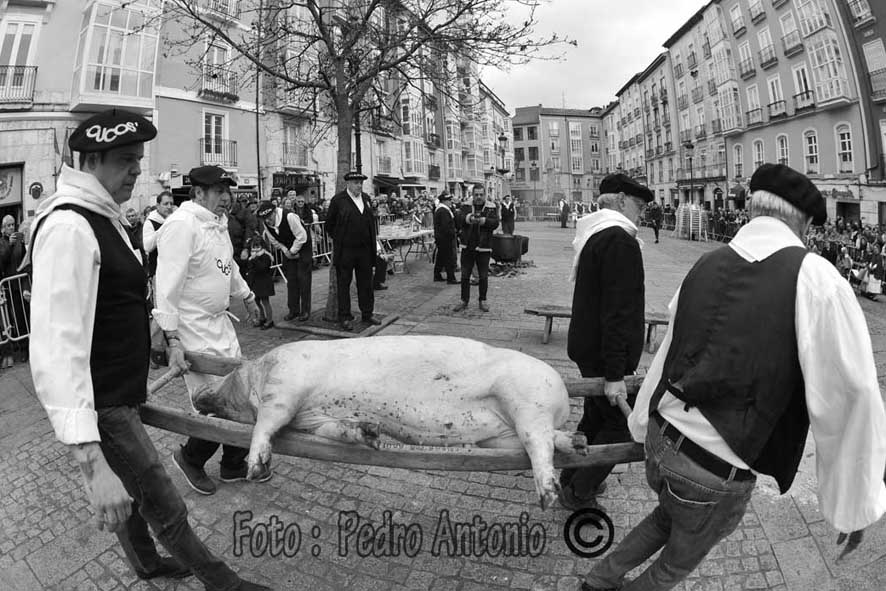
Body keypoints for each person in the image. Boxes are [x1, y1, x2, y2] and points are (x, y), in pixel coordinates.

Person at [580, 163, 886, 591]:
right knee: (673, 566)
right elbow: (851, 394)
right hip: (712, 470)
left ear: (752, 210)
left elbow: (670, 350)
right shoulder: (816, 278)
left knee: (665, 518)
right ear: (802, 221)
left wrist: (639, 424)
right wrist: (854, 505)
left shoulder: (706, 263)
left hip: (662, 441)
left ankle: (597, 579)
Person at [28, 109, 270, 590]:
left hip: (121, 389)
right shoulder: (70, 227)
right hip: (105, 402)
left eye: (139, 159)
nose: (138, 169)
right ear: (92, 160)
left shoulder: (103, 218)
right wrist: (90, 462)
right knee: (163, 501)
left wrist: (162, 340)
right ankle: (225, 583)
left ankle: (147, 564)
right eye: (126, 160)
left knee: (133, 493)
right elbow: (56, 345)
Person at [153, 165, 269, 497]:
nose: (226, 198)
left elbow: (228, 267)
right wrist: (172, 338)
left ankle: (233, 463)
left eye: (228, 192)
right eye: (219, 192)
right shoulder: (181, 226)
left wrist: (247, 296)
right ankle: (189, 458)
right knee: (215, 402)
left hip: (219, 325)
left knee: (240, 391)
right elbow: (167, 286)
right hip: (192, 329)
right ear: (199, 193)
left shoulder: (216, 226)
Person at [561, 173, 652, 510]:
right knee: (621, 424)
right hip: (604, 353)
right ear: (621, 200)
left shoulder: (598, 234)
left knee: (595, 418)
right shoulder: (618, 239)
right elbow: (618, 310)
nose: (641, 214)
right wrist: (616, 373)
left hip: (589, 346)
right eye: (639, 206)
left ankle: (570, 477)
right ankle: (579, 491)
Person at [325, 171, 381, 331]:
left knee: (366, 283)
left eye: (360, 183)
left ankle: (367, 313)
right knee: (344, 284)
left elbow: (371, 222)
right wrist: (341, 238)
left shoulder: (366, 199)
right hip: (346, 251)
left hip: (364, 250)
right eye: (356, 183)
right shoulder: (338, 200)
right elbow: (329, 224)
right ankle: (345, 316)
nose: (359, 185)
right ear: (348, 184)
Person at [256, 199, 311, 322]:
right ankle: (293, 310)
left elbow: (302, 237)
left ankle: (305, 311)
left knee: (304, 281)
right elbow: (275, 241)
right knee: (291, 281)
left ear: (275, 211)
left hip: (303, 248)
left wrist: (293, 251)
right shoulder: (266, 223)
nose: (268, 220)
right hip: (288, 250)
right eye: (265, 218)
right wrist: (287, 252)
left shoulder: (290, 217)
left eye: (270, 216)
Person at [453, 185, 499, 312]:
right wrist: (469, 218)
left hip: (484, 247)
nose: (479, 197)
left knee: (483, 276)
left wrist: (484, 221)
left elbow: (495, 223)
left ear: (485, 195)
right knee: (465, 275)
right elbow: (458, 219)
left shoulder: (491, 206)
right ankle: (464, 300)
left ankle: (482, 300)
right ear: (472, 195)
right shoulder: (465, 206)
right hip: (467, 246)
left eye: (481, 194)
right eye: (476, 194)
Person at [142, 191, 175, 280]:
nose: (169, 207)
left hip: (174, 271)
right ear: (158, 206)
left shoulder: (175, 220)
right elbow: (147, 247)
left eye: (171, 204)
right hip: (158, 273)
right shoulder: (150, 222)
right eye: (165, 204)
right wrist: (164, 227)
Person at [245, 236, 275, 328]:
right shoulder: (251, 257)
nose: (255, 249)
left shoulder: (266, 256)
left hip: (264, 282)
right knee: (257, 301)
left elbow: (262, 268)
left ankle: (269, 320)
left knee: (265, 302)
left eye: (257, 246)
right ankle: (262, 317)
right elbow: (250, 269)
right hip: (255, 283)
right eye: (253, 247)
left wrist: (255, 259)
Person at [433, 192, 458, 284]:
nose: (450, 202)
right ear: (444, 201)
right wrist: (453, 233)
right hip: (445, 238)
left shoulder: (442, 209)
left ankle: (437, 275)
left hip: (441, 237)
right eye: (449, 200)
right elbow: (446, 226)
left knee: (441, 257)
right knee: (449, 258)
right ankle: (451, 278)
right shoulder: (443, 210)